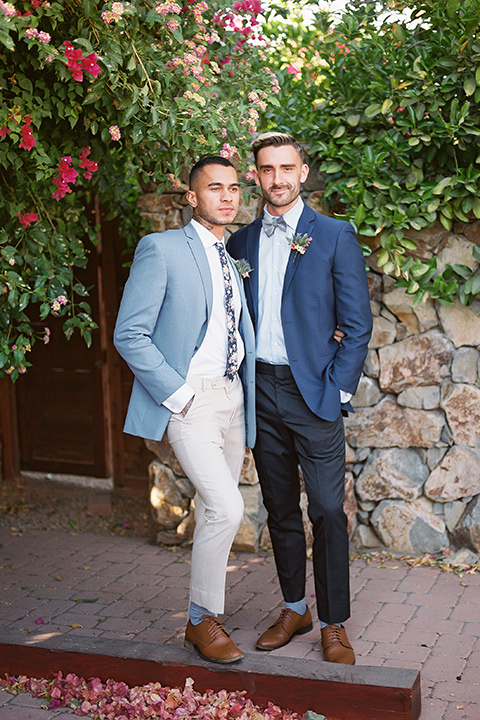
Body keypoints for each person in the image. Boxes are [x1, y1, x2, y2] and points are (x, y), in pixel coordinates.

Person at [228, 132, 373, 665]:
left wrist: (336, 390)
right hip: (261, 390)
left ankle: (333, 623)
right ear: (257, 176)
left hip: (314, 393)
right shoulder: (240, 243)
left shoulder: (333, 235)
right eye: (267, 169)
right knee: (280, 507)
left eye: (287, 168)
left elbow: (357, 326)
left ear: (303, 172)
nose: (278, 179)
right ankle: (295, 607)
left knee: (329, 510)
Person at [114, 156, 256, 665]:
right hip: (189, 398)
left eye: (234, 188)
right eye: (214, 188)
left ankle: (205, 615)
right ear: (192, 198)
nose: (227, 196)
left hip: (233, 398)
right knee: (225, 507)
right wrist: (178, 395)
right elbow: (129, 332)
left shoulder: (231, 254)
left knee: (216, 506)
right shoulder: (162, 248)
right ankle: (200, 622)